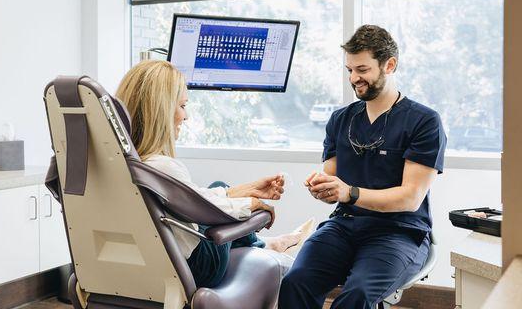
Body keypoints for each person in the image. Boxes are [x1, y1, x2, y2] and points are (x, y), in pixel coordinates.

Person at [279, 25, 447, 309]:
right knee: (295, 283)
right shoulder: (340, 119)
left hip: (399, 232)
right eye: (349, 70)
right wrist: (321, 187)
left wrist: (350, 193)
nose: (354, 78)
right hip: (344, 225)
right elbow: (332, 178)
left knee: (355, 296)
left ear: (389, 65)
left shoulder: (423, 121)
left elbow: (410, 198)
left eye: (363, 69)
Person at [115, 60, 313, 289]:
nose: (185, 116)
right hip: (200, 265)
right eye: (182, 105)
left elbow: (194, 198)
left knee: (220, 186)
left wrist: (244, 190)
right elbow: (209, 211)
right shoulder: (161, 168)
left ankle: (266, 244)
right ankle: (268, 246)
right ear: (161, 111)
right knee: (226, 210)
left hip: (141, 259)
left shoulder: (121, 165)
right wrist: (253, 204)